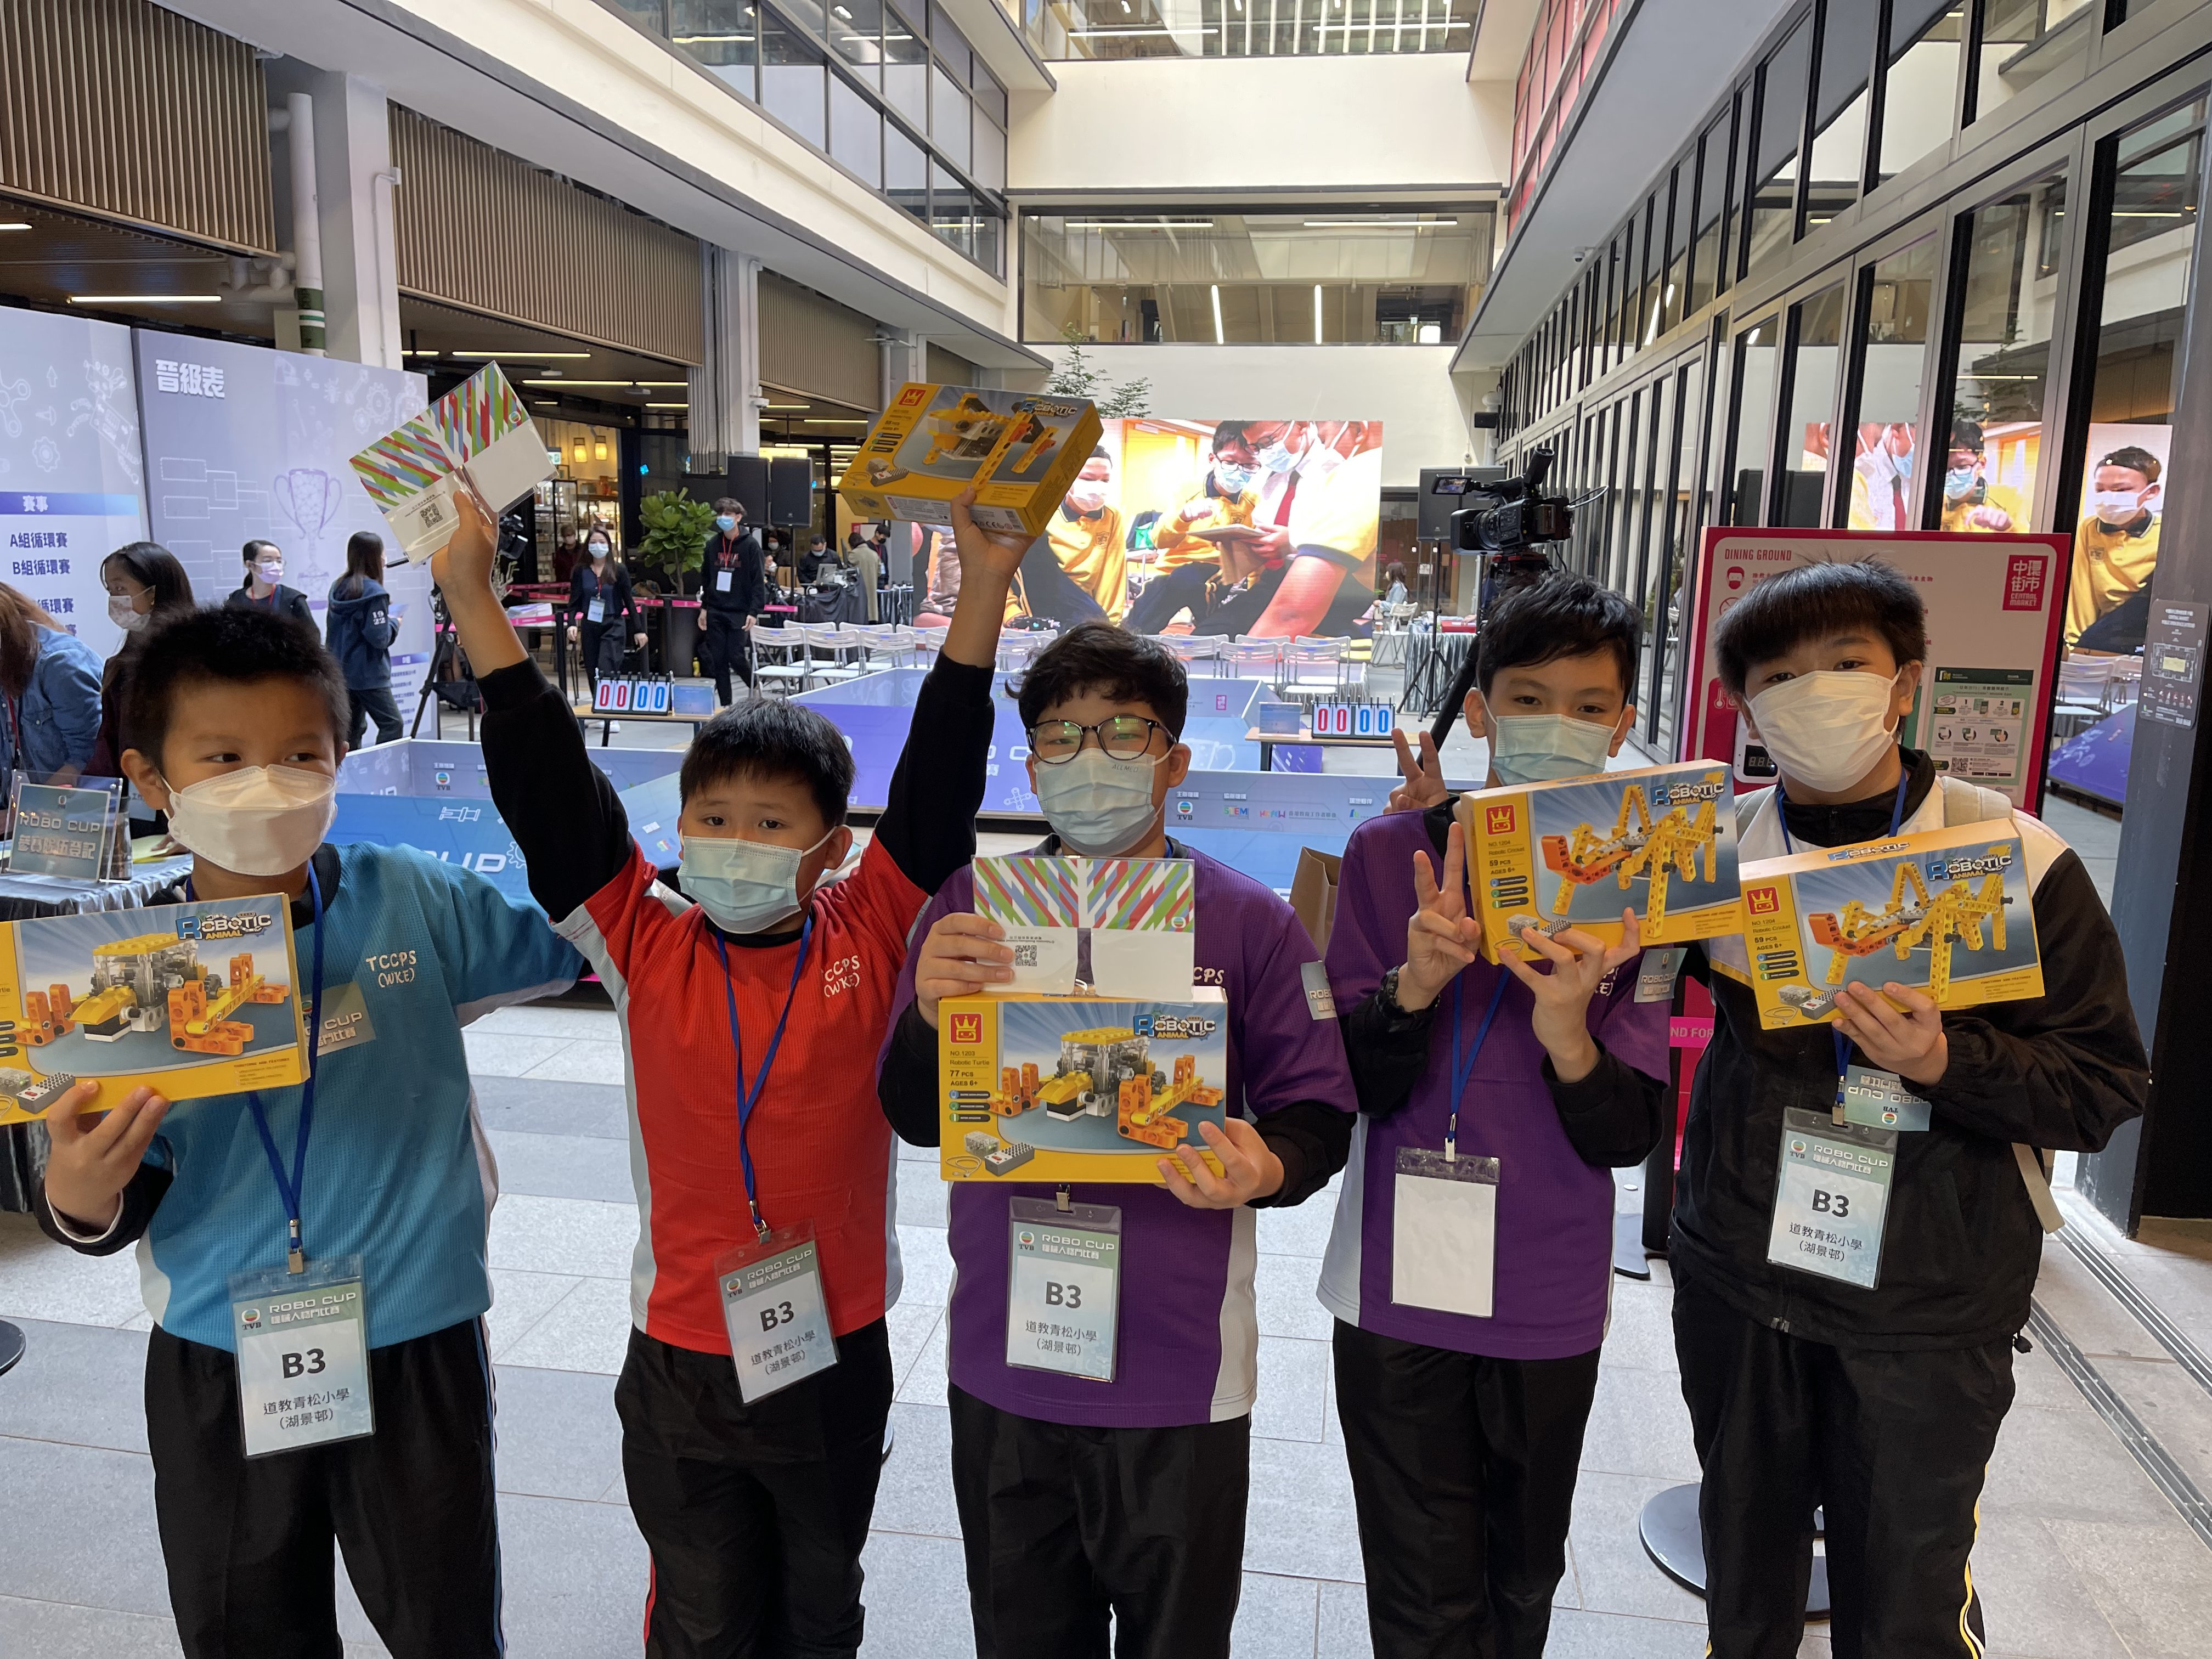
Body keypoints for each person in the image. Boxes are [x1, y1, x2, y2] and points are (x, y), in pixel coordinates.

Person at [438, 487, 1027, 1659]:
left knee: (821, 1607)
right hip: (682, 1358)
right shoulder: (641, 934)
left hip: (837, 1343)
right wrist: (471, 596)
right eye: (713, 819)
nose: (735, 844)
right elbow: (550, 789)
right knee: (703, 1617)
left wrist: (986, 591)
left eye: (770, 825)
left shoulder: (874, 923)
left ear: (831, 848)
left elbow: (938, 783)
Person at [36, 604, 582, 1658]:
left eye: (299, 754)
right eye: (224, 757)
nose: (266, 784)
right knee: (245, 1627)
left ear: (341, 758)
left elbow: (592, 936)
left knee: (447, 1624)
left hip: (416, 1335)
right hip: (219, 1346)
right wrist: (77, 1194)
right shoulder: (125, 969)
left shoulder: (410, 896)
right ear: (153, 778)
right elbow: (111, 1190)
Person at [1675, 560, 2148, 1658]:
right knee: (1744, 1587)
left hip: (1926, 1313)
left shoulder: (2011, 860)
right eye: (1779, 677)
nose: (1814, 693)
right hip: (1743, 1284)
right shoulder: (1714, 858)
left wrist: (1947, 1059)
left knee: (1905, 1605)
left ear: (1905, 682)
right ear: (1744, 706)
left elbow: (2102, 1082)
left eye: (1846, 663)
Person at [876, 624, 1358, 1659]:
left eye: (1123, 732)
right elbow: (914, 1115)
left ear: (1174, 761)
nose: (1089, 757)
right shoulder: (970, 913)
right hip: (1006, 1360)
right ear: (1032, 764)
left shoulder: (1251, 923)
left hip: (1181, 1368)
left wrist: (1266, 1165)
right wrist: (926, 1016)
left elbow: (1319, 1114)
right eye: (1061, 735)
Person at [1319, 575, 1668, 1659]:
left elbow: (1628, 1133)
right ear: (1478, 710)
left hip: (1548, 1286)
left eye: (1587, 704)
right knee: (1417, 1586)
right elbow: (1345, 1083)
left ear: (1621, 721)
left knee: (1522, 1575)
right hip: (1398, 1281)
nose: (1557, 724)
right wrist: (1413, 988)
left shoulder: (1649, 882)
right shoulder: (1388, 856)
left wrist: (1569, 1032)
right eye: (1528, 698)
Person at [1190, 421, 1382, 639]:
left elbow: (1291, 615)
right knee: (1211, 636)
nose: (1264, 453)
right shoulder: (1271, 478)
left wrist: (1292, 542)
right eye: (1256, 448)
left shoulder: (1348, 473)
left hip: (1330, 579)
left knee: (1294, 633)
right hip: (1276, 577)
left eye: (1268, 442)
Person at [1123, 424, 1258, 635]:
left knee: (1190, 582)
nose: (1238, 470)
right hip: (1171, 572)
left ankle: (1210, 631)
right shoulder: (1188, 491)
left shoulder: (1254, 502)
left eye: (1248, 465)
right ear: (1213, 459)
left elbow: (1258, 551)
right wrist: (1183, 517)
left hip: (1220, 571)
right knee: (1133, 629)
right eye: (1230, 462)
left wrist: (1253, 588)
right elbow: (1159, 540)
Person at [89, 540, 195, 781]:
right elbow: (109, 745)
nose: (115, 600)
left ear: (153, 593)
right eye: (111, 591)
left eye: (120, 588)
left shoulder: (196, 660)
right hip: (137, 790)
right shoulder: (119, 666)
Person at [0, 581, 104, 785]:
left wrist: (35, 804)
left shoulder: (60, 664)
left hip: (68, 799)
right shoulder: (7, 657)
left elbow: (87, 756)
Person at [1009, 449, 1123, 627]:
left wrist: (1111, 624)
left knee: (1095, 620)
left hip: (1085, 605)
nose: (1098, 487)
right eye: (1088, 479)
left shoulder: (1112, 516)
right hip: (1045, 592)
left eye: (1105, 480)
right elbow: (1014, 567)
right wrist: (1012, 613)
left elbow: (1112, 574)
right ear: (1067, 480)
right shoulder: (1042, 513)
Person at [2065, 444, 2162, 645]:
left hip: (2143, 631)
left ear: (2151, 492)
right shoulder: (2089, 528)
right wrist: (2075, 646)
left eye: (2122, 490)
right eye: (2100, 490)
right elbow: (2082, 592)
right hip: (2099, 634)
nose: (2108, 497)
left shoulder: (2165, 534)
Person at [325, 530, 403, 749]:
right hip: (370, 674)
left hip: (342, 672)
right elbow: (379, 638)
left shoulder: (338, 587)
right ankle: (383, 765)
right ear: (376, 556)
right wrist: (394, 623)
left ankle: (350, 767)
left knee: (352, 729)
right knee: (392, 723)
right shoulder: (374, 593)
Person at [699, 496, 764, 706]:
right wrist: (704, 608)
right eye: (720, 514)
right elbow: (706, 578)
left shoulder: (751, 546)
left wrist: (754, 611)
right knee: (718, 658)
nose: (723, 518)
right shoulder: (713, 544)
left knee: (736, 656)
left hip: (739, 611)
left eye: (727, 514)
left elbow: (757, 581)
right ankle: (726, 704)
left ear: (738, 517)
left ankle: (755, 685)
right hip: (716, 608)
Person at [567, 527, 644, 692]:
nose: (598, 546)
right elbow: (574, 601)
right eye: (593, 542)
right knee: (592, 668)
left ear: (609, 545)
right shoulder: (580, 571)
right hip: (590, 625)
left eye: (602, 542)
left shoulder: (618, 570)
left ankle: (608, 704)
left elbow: (629, 601)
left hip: (613, 624)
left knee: (606, 668)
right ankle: (598, 703)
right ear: (587, 545)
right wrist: (571, 623)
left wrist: (638, 630)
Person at [1937, 419, 2015, 533]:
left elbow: (2029, 540)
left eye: (1962, 466)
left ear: (1982, 464)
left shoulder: (2009, 500)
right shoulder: (1931, 503)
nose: (1951, 475)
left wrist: (2007, 528)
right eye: (1946, 469)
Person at [226, 539, 315, 630]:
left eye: (279, 561)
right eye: (268, 561)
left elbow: (312, 634)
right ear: (250, 565)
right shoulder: (236, 599)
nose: (275, 566)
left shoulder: (293, 599)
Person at [848, 528, 881, 623]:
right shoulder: (875, 554)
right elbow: (879, 572)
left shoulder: (853, 554)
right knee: (872, 611)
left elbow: (848, 571)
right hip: (873, 588)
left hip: (858, 591)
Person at [551, 521, 583, 585]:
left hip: (581, 584)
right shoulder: (560, 553)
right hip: (565, 585)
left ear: (574, 535)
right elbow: (558, 572)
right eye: (564, 536)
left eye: (569, 535)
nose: (567, 538)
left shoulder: (582, 550)